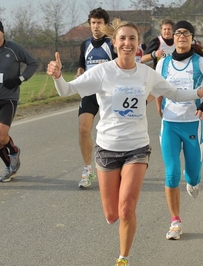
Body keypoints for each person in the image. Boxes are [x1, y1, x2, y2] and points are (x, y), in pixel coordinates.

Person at [47, 18, 203, 266]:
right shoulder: (102, 72)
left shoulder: (147, 74)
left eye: (132, 39)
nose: (127, 43)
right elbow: (66, 90)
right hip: (107, 149)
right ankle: (117, 225)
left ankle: (123, 258)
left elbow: (175, 93)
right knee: (112, 214)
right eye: (122, 39)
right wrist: (58, 76)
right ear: (115, 43)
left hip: (137, 148)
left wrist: (198, 93)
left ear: (139, 45)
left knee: (127, 209)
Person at [154, 21, 203, 241]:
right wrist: (159, 106)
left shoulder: (202, 64)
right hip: (170, 125)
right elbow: (157, 90)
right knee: (171, 173)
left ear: (192, 38)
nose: (181, 36)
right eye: (178, 33)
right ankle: (175, 222)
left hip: (193, 124)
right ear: (173, 37)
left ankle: (192, 180)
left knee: (193, 175)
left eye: (186, 33)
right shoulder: (162, 63)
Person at [0, 20, 38, 182]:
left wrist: (19, 79)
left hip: (9, 99)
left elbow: (32, 63)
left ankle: (15, 151)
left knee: (1, 135)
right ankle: (9, 168)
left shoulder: (14, 48)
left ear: (2, 32)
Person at [75, 8, 116, 188]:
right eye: (93, 22)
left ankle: (116, 166)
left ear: (105, 24)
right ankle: (87, 169)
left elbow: (120, 66)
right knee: (83, 129)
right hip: (90, 92)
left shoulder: (112, 43)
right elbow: (81, 67)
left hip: (109, 93)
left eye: (99, 22)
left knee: (111, 132)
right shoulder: (85, 45)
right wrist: (79, 77)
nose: (96, 26)